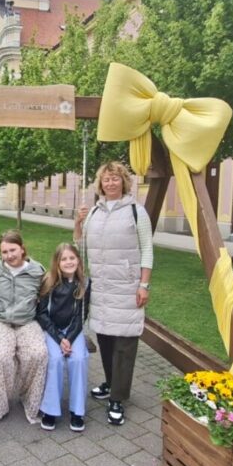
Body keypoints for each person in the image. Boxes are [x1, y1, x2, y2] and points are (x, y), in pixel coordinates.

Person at [74, 161, 153, 427]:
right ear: (100, 184)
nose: (110, 183)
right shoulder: (94, 212)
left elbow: (148, 250)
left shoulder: (135, 211)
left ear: (124, 182)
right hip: (102, 288)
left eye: (115, 179)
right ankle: (110, 382)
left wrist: (144, 285)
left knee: (125, 343)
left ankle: (118, 398)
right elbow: (81, 245)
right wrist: (78, 222)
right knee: (106, 340)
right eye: (106, 179)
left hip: (127, 287)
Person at [0, 230, 47, 423]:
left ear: (22, 249)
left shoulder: (37, 271)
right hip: (2, 322)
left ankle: (29, 399)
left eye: (13, 250)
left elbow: (47, 298)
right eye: (4, 252)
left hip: (28, 322)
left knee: (38, 354)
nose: (9, 255)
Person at [36, 243, 91, 432]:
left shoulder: (84, 283)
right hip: (52, 330)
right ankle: (50, 409)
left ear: (78, 260)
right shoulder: (48, 282)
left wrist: (70, 337)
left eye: (72, 258)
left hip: (73, 330)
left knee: (79, 359)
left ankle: (77, 410)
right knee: (56, 359)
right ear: (57, 263)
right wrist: (59, 338)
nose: (68, 262)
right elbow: (42, 314)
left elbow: (81, 315)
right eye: (64, 259)